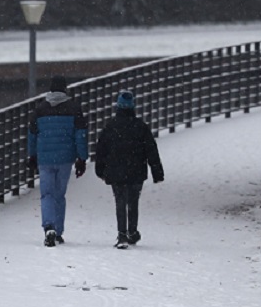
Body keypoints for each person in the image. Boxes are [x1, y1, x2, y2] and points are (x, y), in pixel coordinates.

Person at [94, 90, 165, 249]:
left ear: (117, 107)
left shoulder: (111, 126)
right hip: (136, 170)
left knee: (120, 200)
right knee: (133, 201)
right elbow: (151, 150)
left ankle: (122, 234)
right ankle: (132, 231)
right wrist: (157, 172)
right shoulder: (140, 126)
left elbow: (101, 150)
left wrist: (100, 170)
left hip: (116, 170)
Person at [27, 75, 90, 247]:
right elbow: (80, 135)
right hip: (65, 159)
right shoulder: (74, 108)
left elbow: (32, 135)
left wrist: (32, 156)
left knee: (46, 194)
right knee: (59, 195)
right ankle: (59, 231)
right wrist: (82, 158)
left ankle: (49, 227)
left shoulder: (39, 110)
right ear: (65, 89)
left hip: (44, 158)